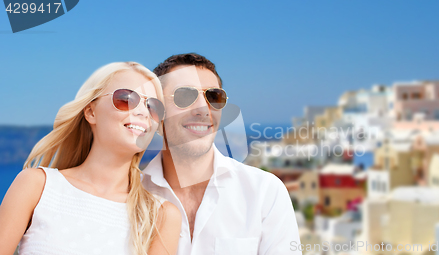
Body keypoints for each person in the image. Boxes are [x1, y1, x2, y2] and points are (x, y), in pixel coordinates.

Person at [0, 62, 181, 255]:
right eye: (126, 98)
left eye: (153, 107)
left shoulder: (161, 216)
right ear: (91, 112)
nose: (143, 112)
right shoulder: (36, 186)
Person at [142, 53, 301, 254]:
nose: (203, 109)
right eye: (184, 96)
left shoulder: (265, 193)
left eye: (213, 97)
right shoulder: (129, 198)